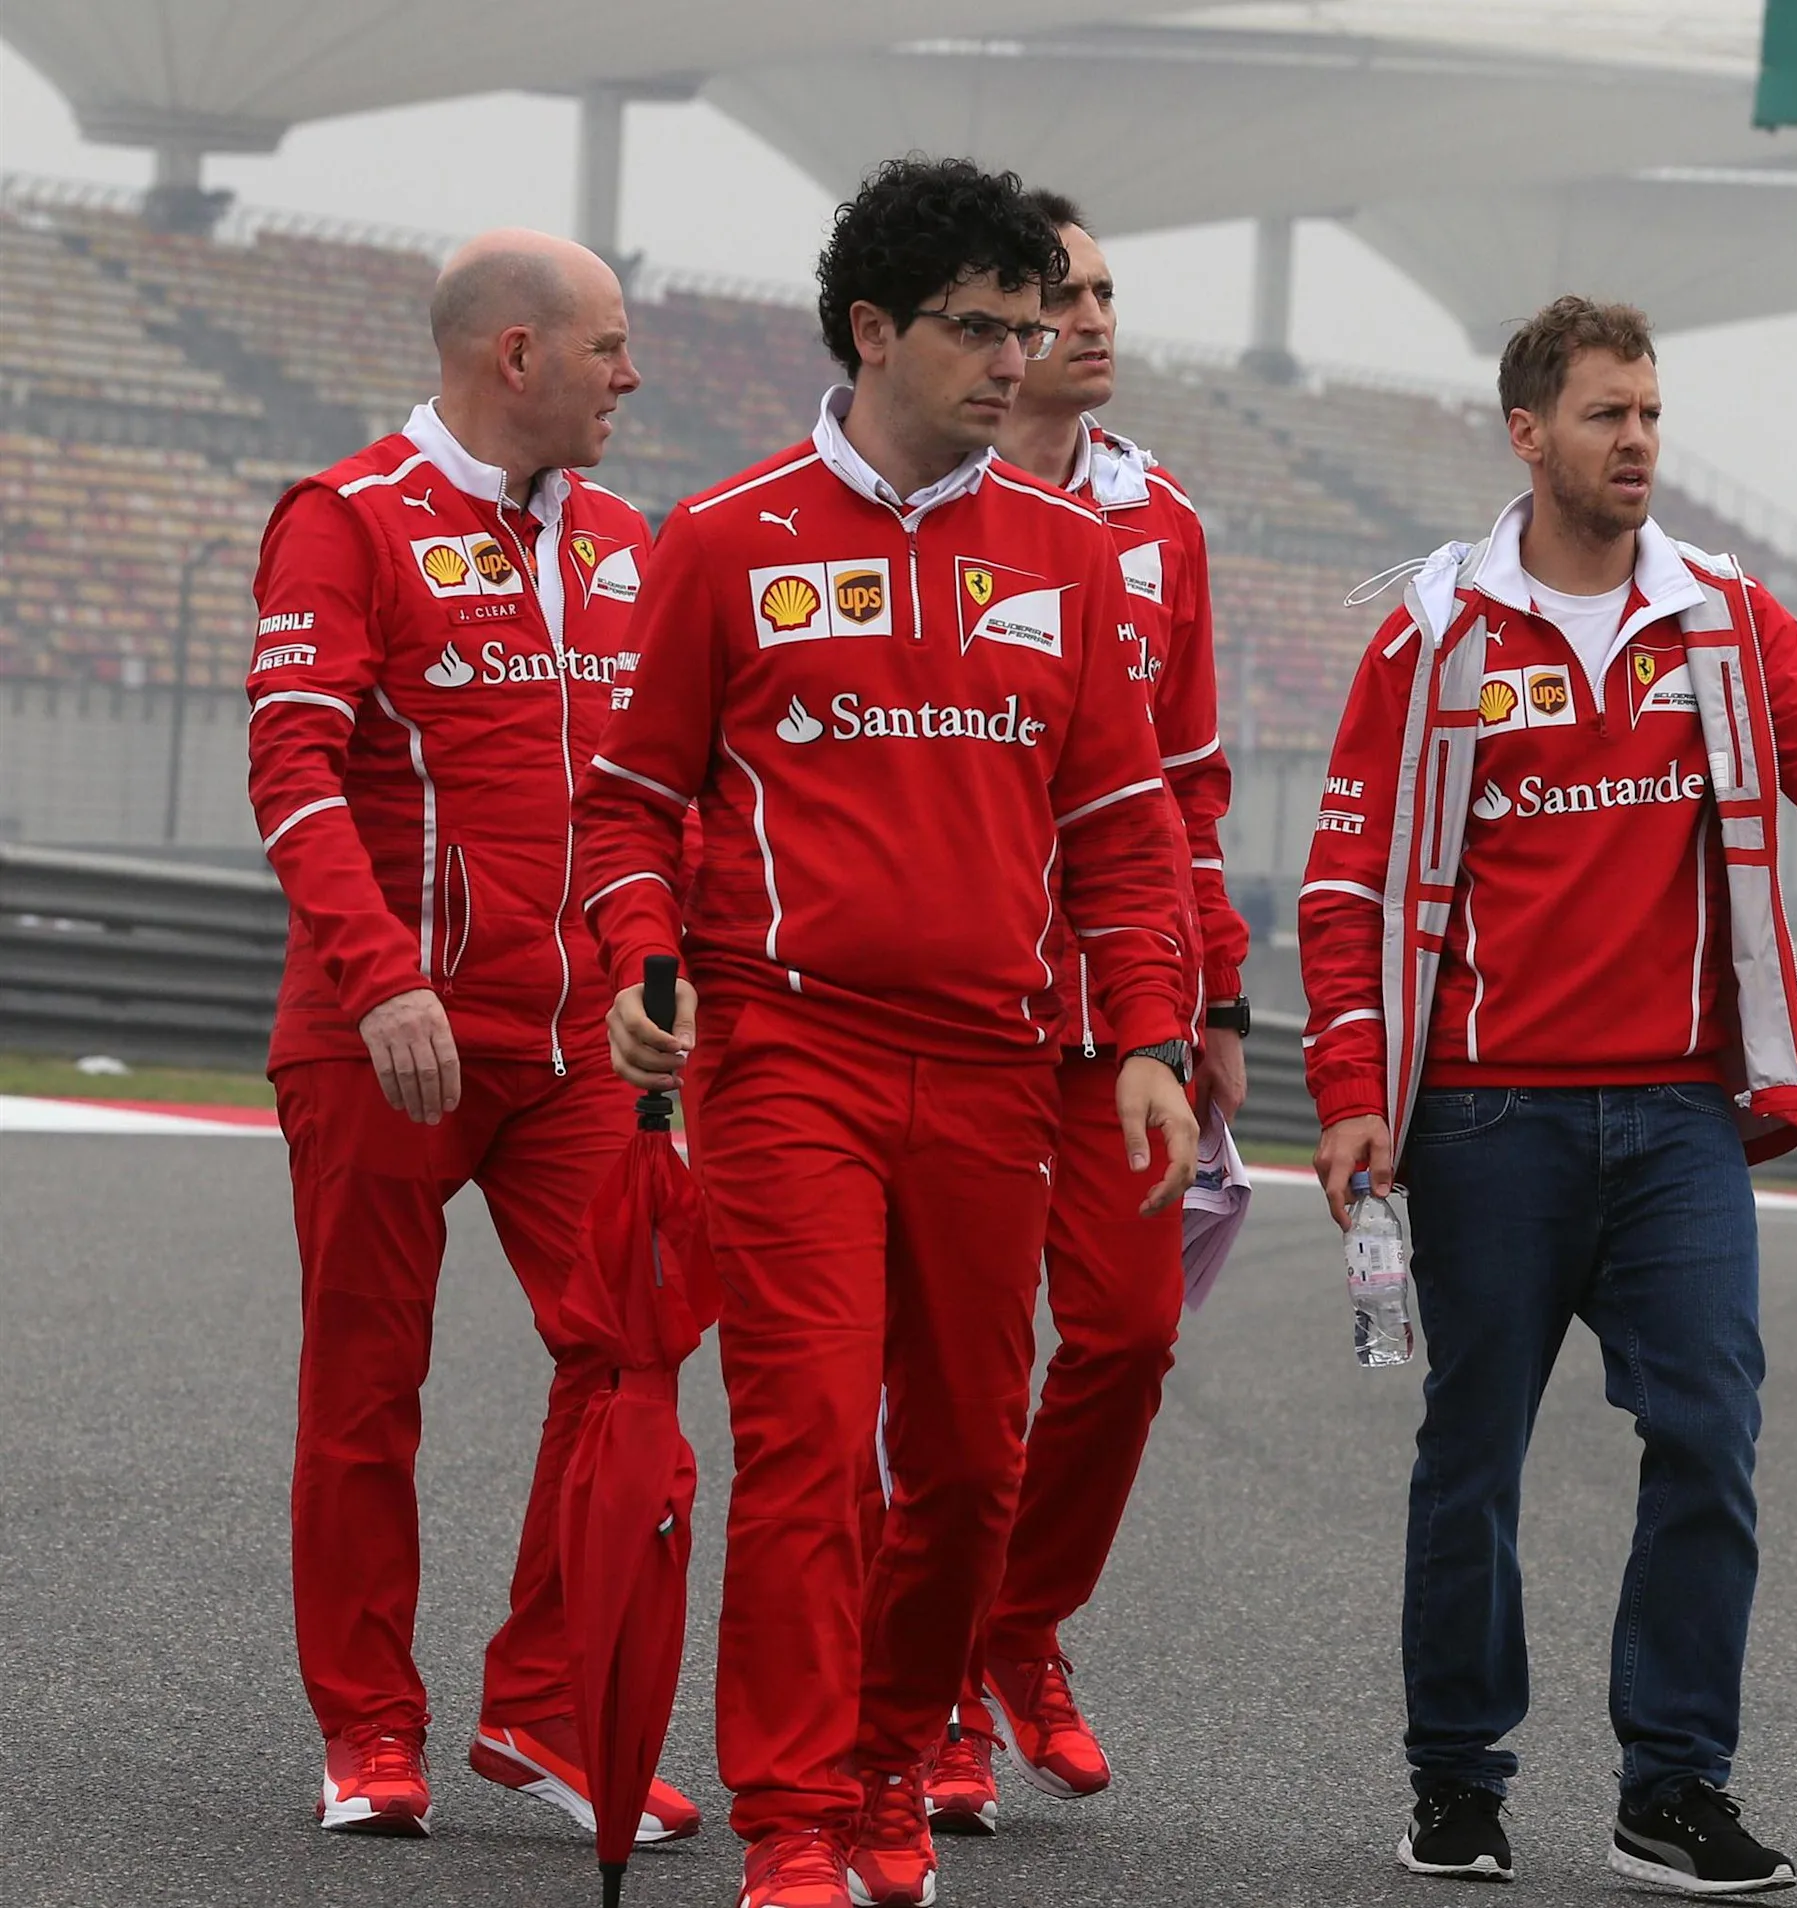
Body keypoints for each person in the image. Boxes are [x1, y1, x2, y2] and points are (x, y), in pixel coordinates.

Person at [1300, 296, 1797, 1895]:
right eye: (1607, 415)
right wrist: (1350, 1088)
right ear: (1527, 433)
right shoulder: (1435, 634)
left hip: (1683, 1120)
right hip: (1485, 1120)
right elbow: (1345, 884)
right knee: (1473, 1453)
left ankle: (1673, 1787)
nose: (1638, 443)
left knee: (1709, 1437)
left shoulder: (1725, 618)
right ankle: (1455, 1780)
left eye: (1652, 415)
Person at [576, 157, 1200, 1908]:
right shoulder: (725, 537)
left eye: (1032, 328)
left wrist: (1152, 1035)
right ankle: (790, 1816)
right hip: (790, 1055)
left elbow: (1124, 828)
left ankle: (890, 1761)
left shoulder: (1075, 557)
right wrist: (641, 955)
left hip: (1000, 1064)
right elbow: (631, 802)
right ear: (871, 328)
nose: (1017, 359)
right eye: (980, 327)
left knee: (973, 1467)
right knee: (803, 1444)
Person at [245, 227, 703, 1845]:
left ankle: (545, 1706)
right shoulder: (346, 518)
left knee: (633, 1354)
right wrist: (381, 980)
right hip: (383, 1038)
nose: (631, 375)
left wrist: (653, 969)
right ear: (519, 355)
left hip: (579, 1046)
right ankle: (368, 1729)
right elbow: (292, 769)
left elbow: (660, 798)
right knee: (365, 1388)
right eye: (608, 346)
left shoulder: (635, 544)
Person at [918, 188, 1252, 1834]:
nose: (1097, 321)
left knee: (1127, 1337)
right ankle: (930, 1696)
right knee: (957, 1391)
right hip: (960, 1003)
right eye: (1065, 296)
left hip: (1124, 1014)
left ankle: (1018, 1624)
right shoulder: (920, 502)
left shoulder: (1161, 522)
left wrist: (1217, 991)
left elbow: (1189, 786)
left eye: (1110, 294)